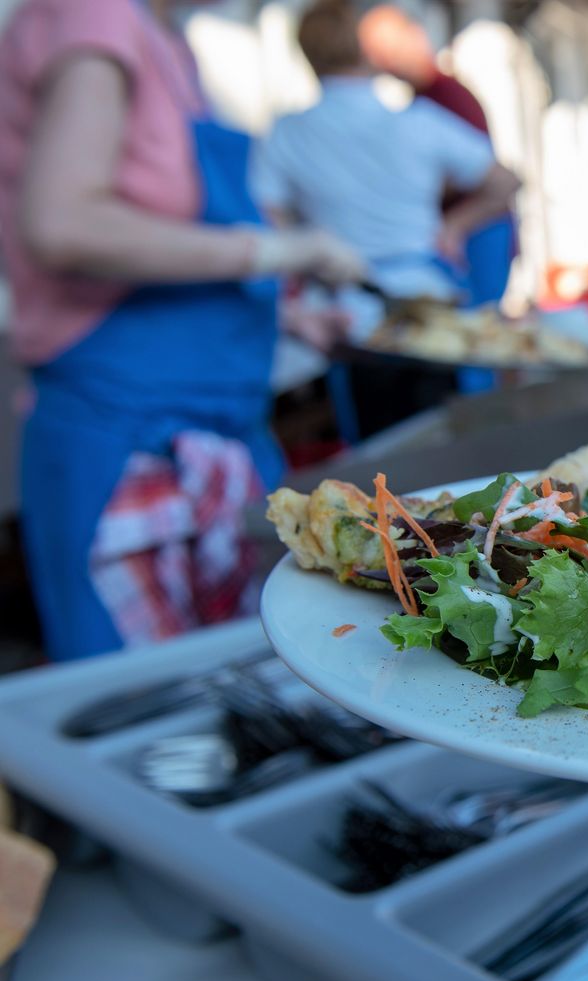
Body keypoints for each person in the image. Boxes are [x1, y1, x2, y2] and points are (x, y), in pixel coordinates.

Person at [0, 0, 365, 661]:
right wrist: (280, 250)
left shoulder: (166, 41)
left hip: (217, 435)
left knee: (252, 688)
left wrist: (280, 317)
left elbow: (153, 253)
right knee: (156, 724)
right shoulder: (92, 14)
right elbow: (64, 225)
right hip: (130, 447)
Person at [251, 0, 520, 304]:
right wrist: (453, 227)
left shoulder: (286, 132)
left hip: (335, 299)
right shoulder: (417, 122)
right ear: (366, 51)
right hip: (422, 290)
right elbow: (505, 181)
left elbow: (270, 216)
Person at [358, 4, 517, 309]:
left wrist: (452, 224)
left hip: (477, 233)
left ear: (416, 36)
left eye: (388, 49)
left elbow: (494, 180)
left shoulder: (447, 97)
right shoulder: (422, 100)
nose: (383, 62)